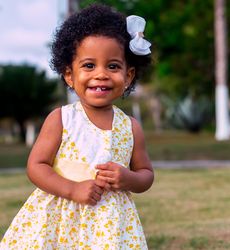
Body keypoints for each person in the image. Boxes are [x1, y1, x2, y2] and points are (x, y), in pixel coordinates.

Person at [0, 4, 154, 249]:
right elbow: (36, 167)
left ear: (128, 75)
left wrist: (129, 178)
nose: (101, 74)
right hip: (61, 219)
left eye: (113, 66)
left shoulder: (131, 127)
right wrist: (72, 189)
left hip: (110, 226)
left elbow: (146, 174)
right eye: (89, 65)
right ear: (69, 74)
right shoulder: (62, 119)